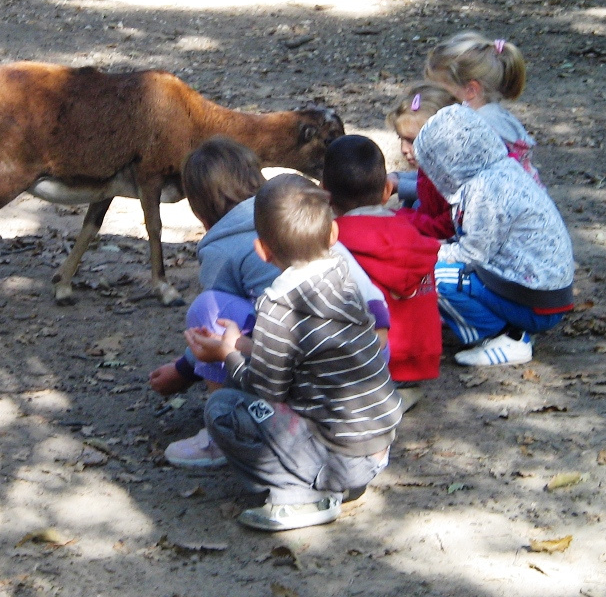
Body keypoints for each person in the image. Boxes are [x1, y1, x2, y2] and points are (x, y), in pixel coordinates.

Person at [151, 138, 390, 469]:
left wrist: (183, 370)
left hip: (298, 365)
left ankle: (219, 433)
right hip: (369, 357)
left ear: (198, 208)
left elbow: (214, 327)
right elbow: (369, 297)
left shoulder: (221, 247)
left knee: (205, 307)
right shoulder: (305, 224)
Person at [185, 174, 403, 532]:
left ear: (262, 250)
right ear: (333, 235)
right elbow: (303, 356)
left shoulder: (278, 305)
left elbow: (264, 388)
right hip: (376, 444)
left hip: (338, 460)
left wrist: (228, 358)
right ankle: (326, 478)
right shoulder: (343, 276)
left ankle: (302, 495)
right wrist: (240, 344)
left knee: (221, 409)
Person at [414, 104, 574, 366]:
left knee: (430, 275)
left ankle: (506, 337)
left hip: (534, 298)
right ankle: (502, 323)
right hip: (543, 291)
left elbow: (471, 255)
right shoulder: (503, 171)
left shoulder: (484, 192)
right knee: (444, 269)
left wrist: (424, 250)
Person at [322, 134, 442, 386]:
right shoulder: (411, 231)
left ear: (325, 193)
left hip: (374, 362)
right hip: (423, 359)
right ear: (387, 190)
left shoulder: (336, 239)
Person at [423, 32, 542, 184]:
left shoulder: (477, 130)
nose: (435, 99)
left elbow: (452, 184)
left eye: (442, 92)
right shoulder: (494, 116)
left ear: (471, 90)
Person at [385, 83, 460, 239]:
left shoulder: (455, 180)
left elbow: (445, 228)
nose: (404, 149)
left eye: (412, 141)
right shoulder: (434, 165)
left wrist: (399, 219)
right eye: (402, 139)